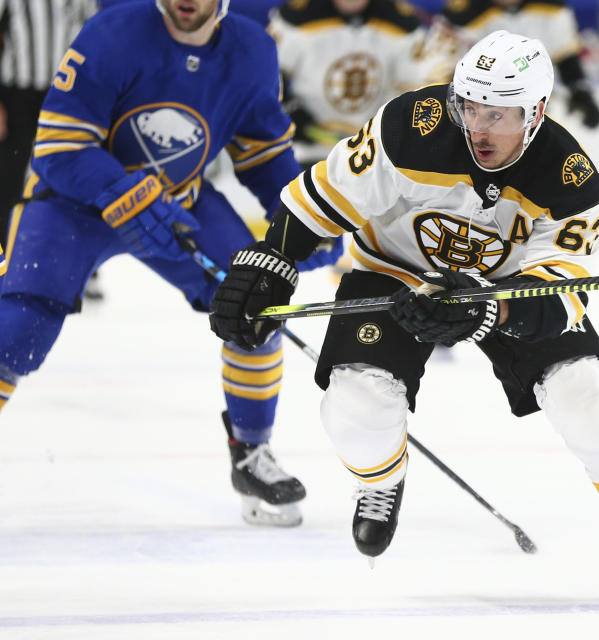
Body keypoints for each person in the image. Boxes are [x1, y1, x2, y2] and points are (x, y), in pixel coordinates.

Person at [209, 29, 599, 600]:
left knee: (585, 393)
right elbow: (323, 196)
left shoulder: (570, 179)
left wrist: (491, 310)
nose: (479, 128)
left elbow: (562, 292)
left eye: (499, 115)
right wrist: (271, 261)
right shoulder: (407, 128)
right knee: (356, 404)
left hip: (508, 291)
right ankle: (382, 481)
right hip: (395, 272)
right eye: (470, 108)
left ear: (536, 112)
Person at [0, 0, 343, 526]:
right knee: (18, 328)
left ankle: (252, 454)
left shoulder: (252, 49)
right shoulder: (113, 32)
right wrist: (119, 189)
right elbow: (59, 146)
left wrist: (305, 220)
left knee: (255, 302)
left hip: (177, 202)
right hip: (71, 203)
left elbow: (263, 155)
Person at [0, 0, 102, 299]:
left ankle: (85, 268)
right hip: (15, 92)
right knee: (7, 182)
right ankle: (4, 261)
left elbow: (94, 39)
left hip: (64, 95)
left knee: (75, 180)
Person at [270, 0, 452, 166]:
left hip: (374, 153)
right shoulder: (296, 16)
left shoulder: (401, 22)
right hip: (308, 151)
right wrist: (288, 109)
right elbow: (267, 68)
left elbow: (428, 79)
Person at [440, 0, 599, 129]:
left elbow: (565, 56)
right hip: (471, 107)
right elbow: (440, 65)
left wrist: (580, 91)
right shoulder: (462, 12)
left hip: (529, 107)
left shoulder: (551, 7)